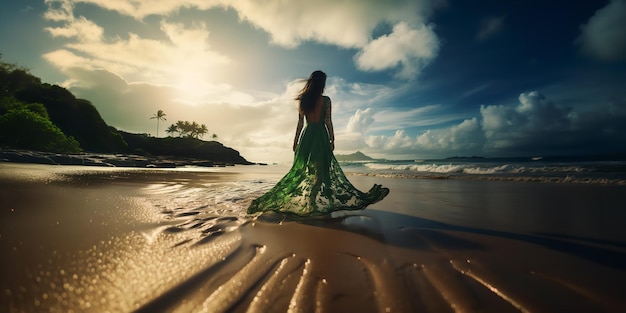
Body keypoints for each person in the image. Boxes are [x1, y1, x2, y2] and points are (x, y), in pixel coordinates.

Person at [247, 70, 389, 216]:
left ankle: (311, 201)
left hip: (307, 137)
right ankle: (314, 201)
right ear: (322, 84)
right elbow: (328, 121)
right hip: (321, 136)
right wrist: (332, 139)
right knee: (321, 172)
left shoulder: (304, 99)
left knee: (302, 171)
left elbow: (300, 123)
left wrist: (295, 142)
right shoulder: (326, 100)